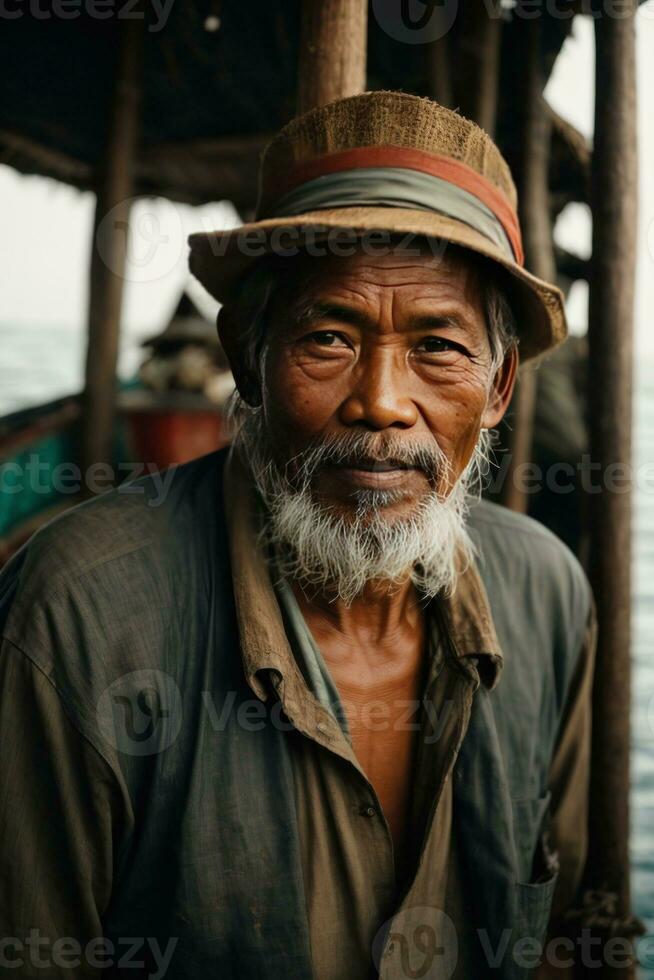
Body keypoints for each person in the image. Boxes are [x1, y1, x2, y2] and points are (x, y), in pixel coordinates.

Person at [0, 91, 596, 979]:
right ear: (249, 360)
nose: (383, 404)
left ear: (501, 386)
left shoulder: (546, 592)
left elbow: (570, 937)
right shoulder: (78, 617)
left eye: (438, 346)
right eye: (327, 336)